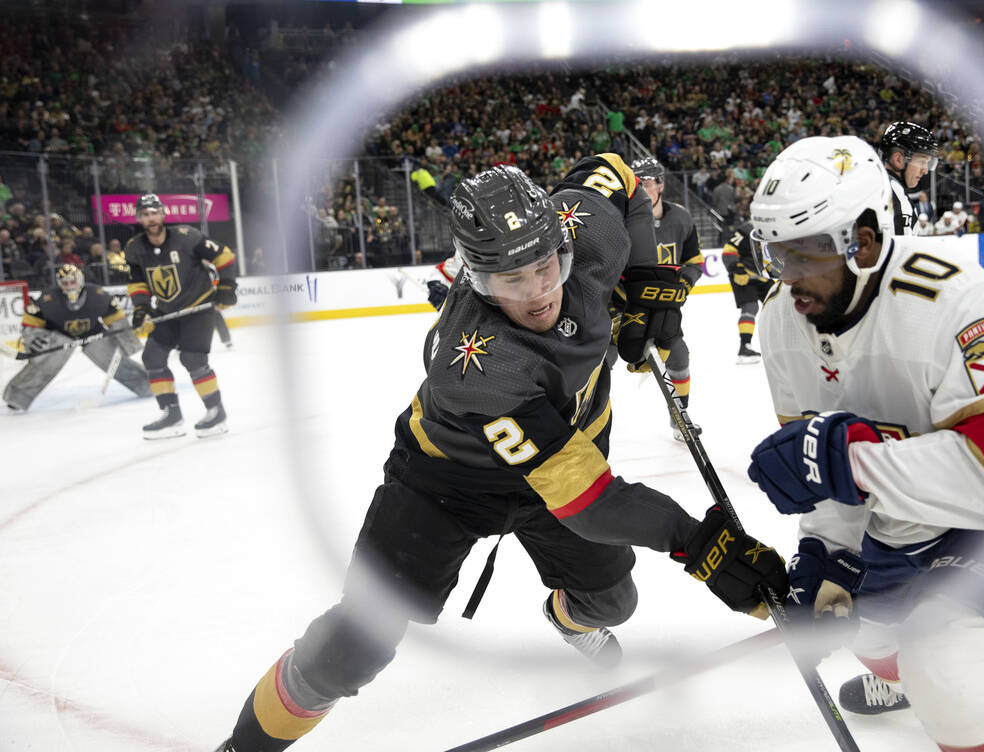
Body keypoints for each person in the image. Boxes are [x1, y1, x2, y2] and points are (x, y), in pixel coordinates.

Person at [211, 159, 786, 752]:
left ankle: (566, 618)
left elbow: (619, 171)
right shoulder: (479, 366)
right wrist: (698, 543)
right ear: (475, 277)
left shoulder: (587, 229)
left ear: (564, 242)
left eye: (545, 266)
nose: (538, 292)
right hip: (444, 483)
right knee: (358, 641)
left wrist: (647, 282)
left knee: (613, 602)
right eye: (510, 280)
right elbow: (590, 503)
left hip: (566, 452)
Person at [744, 135, 984, 752]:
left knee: (945, 659)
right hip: (911, 513)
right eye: (777, 256)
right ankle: (903, 678)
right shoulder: (783, 317)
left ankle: (932, 679)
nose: (790, 277)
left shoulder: (954, 302)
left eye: (806, 255)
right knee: (871, 633)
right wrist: (827, 552)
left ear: (862, 241)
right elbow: (819, 465)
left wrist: (856, 463)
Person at [124, 193, 238, 438]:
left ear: (163, 214)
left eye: (154, 213)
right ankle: (171, 414)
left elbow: (224, 256)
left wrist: (227, 287)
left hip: (198, 307)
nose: (151, 218)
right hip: (166, 311)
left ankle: (216, 412)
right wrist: (141, 308)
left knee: (192, 359)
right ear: (139, 218)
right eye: (145, 214)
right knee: (152, 357)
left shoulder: (187, 237)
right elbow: (137, 284)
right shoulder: (134, 248)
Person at [4, 263, 151, 411]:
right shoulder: (48, 299)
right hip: (59, 336)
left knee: (113, 360)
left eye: (72, 281)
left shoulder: (97, 295)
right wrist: (34, 342)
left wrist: (131, 345)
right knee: (46, 365)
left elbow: (117, 321)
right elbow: (31, 324)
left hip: (92, 334)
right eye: (65, 283)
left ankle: (146, 385)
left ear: (80, 280)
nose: (69, 286)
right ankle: (17, 396)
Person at [631, 156, 704, 441]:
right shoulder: (622, 220)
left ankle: (679, 420)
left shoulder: (681, 218)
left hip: (664, 307)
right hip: (624, 306)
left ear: (661, 184)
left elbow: (694, 259)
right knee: (599, 363)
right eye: (635, 184)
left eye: (646, 183)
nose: (640, 190)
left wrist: (684, 284)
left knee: (679, 356)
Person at [722, 218, 774, 364]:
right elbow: (728, 252)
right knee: (750, 307)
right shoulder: (745, 230)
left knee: (776, 306)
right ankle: (744, 348)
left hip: (762, 276)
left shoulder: (773, 228)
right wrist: (737, 270)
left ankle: (780, 343)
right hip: (742, 275)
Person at [879, 121, 939, 235]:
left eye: (928, 163)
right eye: (922, 161)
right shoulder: (894, 194)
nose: (925, 170)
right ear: (899, 160)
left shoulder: (877, 186)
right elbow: (900, 251)